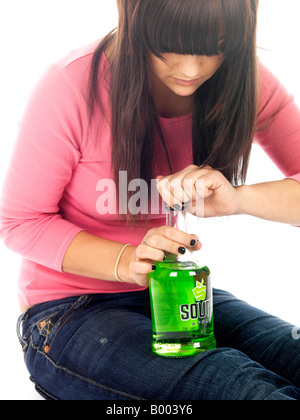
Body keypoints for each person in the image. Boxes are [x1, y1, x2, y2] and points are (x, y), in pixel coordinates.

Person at [1, 0, 300, 400]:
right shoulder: (70, 85)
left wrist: (237, 199)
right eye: (169, 47)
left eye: (215, 46)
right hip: (67, 312)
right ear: (135, 19)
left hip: (168, 294)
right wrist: (125, 261)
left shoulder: (244, 81)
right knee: (248, 391)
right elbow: (19, 221)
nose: (192, 70)